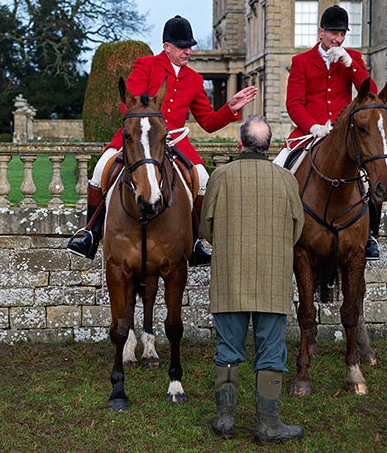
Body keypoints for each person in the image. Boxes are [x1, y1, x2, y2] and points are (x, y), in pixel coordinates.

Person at [67, 15, 258, 266]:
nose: (188, 51)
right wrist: (145, 130)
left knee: (203, 179)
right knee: (101, 169)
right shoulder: (146, 64)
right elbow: (131, 102)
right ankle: (91, 234)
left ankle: (198, 241)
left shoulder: (195, 79)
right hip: (140, 136)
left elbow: (208, 122)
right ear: (166, 46)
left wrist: (230, 107)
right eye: (182, 46)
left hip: (176, 140)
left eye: (190, 46)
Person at [200, 115, 305, 443]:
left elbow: (206, 226)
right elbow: (297, 228)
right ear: (270, 146)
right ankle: (269, 425)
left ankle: (226, 421)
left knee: (228, 349)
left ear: (239, 144)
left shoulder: (221, 176)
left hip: (229, 276)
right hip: (272, 278)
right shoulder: (286, 179)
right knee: (271, 352)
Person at [276, 4, 383, 260]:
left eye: (342, 34)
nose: (338, 39)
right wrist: (312, 126)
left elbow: (372, 95)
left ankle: (370, 238)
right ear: (320, 32)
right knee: (279, 173)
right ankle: (279, 234)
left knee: (371, 178)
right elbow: (293, 104)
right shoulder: (301, 61)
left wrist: (350, 66)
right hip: (307, 134)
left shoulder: (353, 58)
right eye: (334, 33)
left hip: (344, 138)